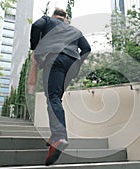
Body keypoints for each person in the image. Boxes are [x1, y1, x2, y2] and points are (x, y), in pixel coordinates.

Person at [30, 8, 91, 166]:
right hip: (71, 64)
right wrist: (77, 63)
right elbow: (87, 49)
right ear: (65, 18)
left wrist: (35, 49)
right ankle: (54, 134)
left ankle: (59, 137)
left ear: (54, 16)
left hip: (55, 60)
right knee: (55, 97)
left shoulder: (48, 20)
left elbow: (36, 26)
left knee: (53, 98)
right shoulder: (75, 30)